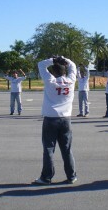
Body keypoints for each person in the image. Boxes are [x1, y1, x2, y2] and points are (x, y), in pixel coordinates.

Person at [33, 56, 77, 185]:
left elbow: (41, 64)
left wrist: (53, 59)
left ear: (54, 72)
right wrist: (65, 60)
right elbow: (73, 66)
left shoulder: (50, 81)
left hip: (51, 118)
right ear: (65, 71)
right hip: (66, 119)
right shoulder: (71, 80)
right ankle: (71, 176)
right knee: (67, 149)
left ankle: (46, 177)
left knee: (48, 149)